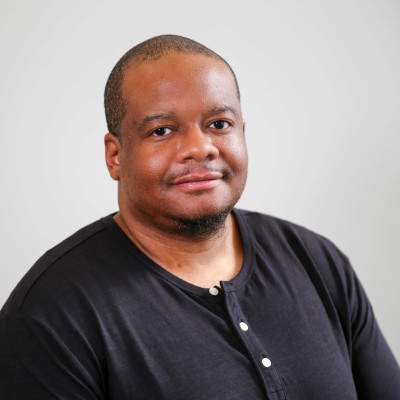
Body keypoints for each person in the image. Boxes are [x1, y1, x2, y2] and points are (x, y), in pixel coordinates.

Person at [0, 34, 399, 400]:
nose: (200, 147)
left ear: (243, 133)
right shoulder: (50, 316)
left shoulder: (317, 261)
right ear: (115, 155)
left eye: (219, 124)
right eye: (161, 130)